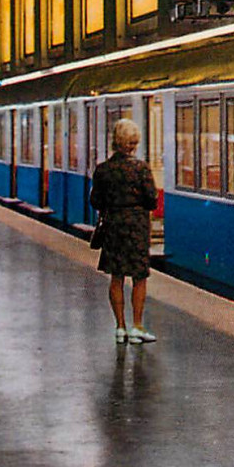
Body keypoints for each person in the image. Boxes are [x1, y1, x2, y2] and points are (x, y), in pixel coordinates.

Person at [89, 118, 158, 344]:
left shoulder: (103, 170)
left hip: (113, 226)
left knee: (116, 277)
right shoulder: (141, 169)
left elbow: (95, 200)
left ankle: (120, 328)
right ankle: (137, 326)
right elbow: (152, 201)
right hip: (137, 228)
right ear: (132, 144)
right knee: (139, 278)